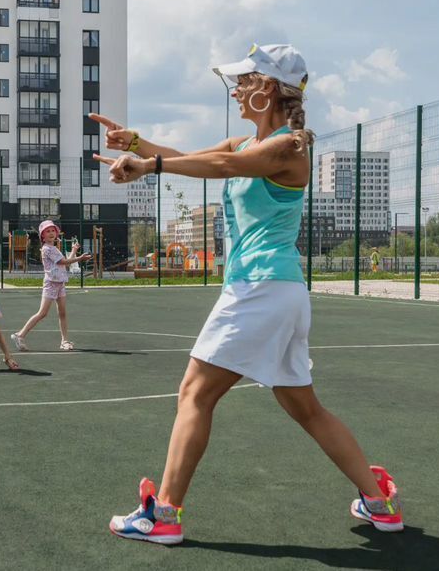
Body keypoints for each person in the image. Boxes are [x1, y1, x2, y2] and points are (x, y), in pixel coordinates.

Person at [93, 44, 403, 545]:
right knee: (306, 408)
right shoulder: (243, 143)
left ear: (272, 89)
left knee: (195, 393)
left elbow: (223, 167)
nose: (235, 89)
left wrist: (148, 166)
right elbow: (204, 159)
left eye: (245, 81)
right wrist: (140, 143)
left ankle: (165, 514)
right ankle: (379, 503)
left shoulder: (290, 147)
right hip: (275, 292)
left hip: (261, 288)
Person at [10, 221, 92, 351]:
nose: (51, 233)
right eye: (47, 231)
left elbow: (64, 264)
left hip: (60, 284)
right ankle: (19, 335)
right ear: (43, 236)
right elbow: (63, 261)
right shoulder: (47, 249)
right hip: (51, 284)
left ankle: (64, 341)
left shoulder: (54, 248)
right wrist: (80, 258)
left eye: (53, 230)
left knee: (62, 313)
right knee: (42, 313)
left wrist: (74, 251)